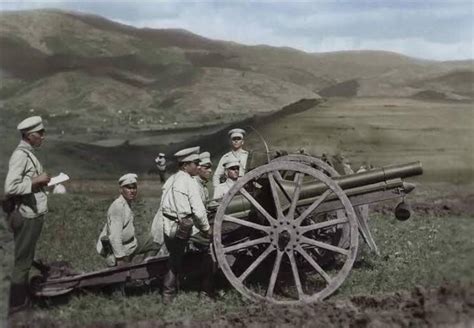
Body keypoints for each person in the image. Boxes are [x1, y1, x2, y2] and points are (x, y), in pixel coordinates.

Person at [151, 146, 211, 303]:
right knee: (210, 250)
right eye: (195, 163)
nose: (198, 166)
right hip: (183, 228)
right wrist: (207, 229)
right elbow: (198, 211)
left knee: (175, 258)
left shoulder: (171, 179)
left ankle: (171, 292)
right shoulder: (189, 183)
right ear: (185, 165)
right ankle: (204, 289)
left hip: (168, 227)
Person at [4, 116, 51, 313]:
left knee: (24, 258)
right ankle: (17, 306)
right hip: (28, 216)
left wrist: (39, 181)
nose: (43, 137)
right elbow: (10, 187)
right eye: (40, 133)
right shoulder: (21, 156)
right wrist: (36, 181)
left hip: (32, 213)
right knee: (22, 263)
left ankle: (20, 301)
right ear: (30, 135)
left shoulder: (27, 153)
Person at [96, 173, 160, 267]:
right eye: (128, 188)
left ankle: (142, 269)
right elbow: (114, 237)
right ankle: (138, 271)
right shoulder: (118, 207)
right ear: (121, 190)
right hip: (121, 249)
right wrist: (120, 258)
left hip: (131, 244)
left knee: (154, 244)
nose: (132, 191)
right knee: (124, 276)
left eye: (134, 188)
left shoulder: (126, 203)